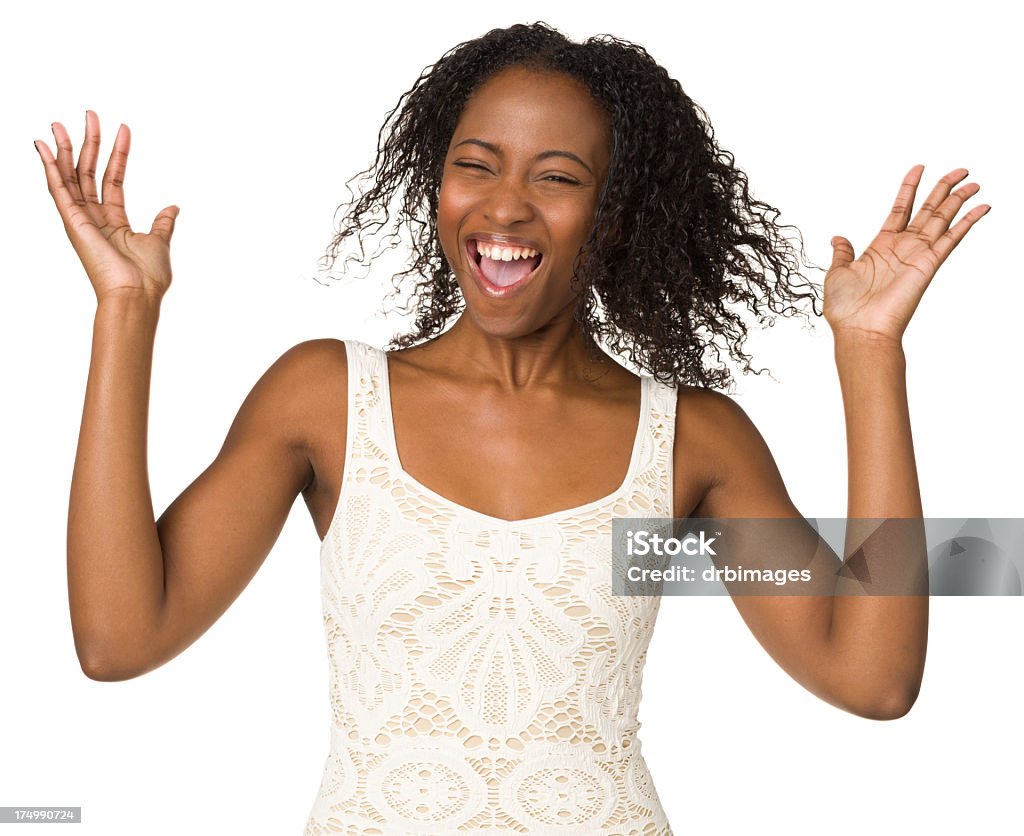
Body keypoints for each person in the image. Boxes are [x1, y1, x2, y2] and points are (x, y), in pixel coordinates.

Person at [34, 21, 989, 836]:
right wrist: (126, 309)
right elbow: (120, 640)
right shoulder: (326, 398)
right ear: (434, 183)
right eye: (474, 166)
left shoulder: (692, 441)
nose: (503, 207)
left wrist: (868, 352)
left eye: (558, 178)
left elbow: (873, 681)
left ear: (614, 217)